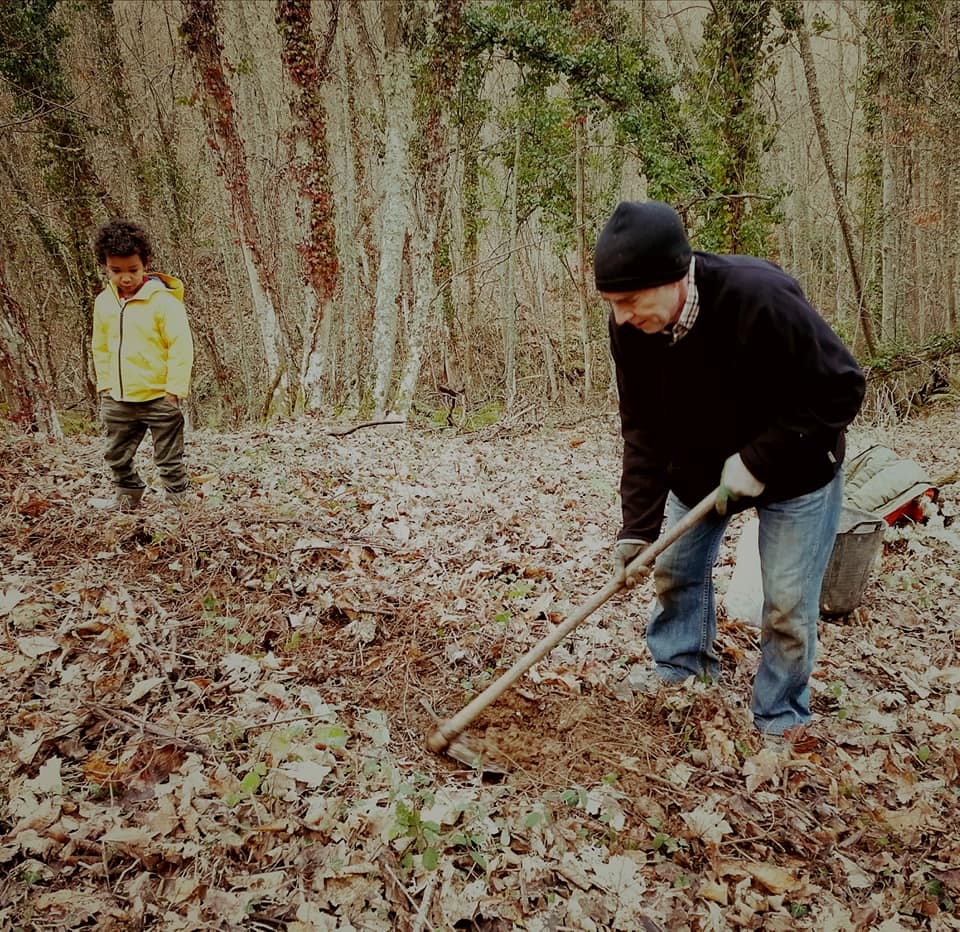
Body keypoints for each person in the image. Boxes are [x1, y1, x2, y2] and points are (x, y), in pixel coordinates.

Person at [594, 200, 866, 737]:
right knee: (674, 569)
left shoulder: (758, 295)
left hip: (798, 468)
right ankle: (681, 670)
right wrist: (636, 529)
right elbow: (642, 429)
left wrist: (760, 460)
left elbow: (842, 387)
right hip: (699, 470)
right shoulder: (630, 328)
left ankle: (780, 715)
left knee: (786, 605)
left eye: (629, 300)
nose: (621, 315)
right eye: (612, 303)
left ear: (673, 278)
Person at [91, 219, 194, 510]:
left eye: (132, 270)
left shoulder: (164, 302)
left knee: (168, 457)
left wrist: (174, 390)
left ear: (145, 264)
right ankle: (127, 497)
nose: (125, 278)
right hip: (119, 397)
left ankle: (178, 503)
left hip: (160, 395)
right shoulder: (104, 303)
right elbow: (100, 345)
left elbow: (181, 346)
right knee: (115, 454)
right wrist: (106, 385)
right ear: (105, 266)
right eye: (116, 271)